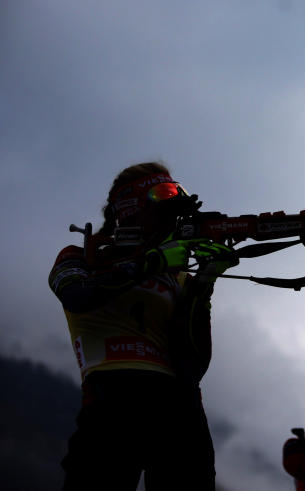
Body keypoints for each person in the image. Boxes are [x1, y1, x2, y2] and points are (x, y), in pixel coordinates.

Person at [49, 162, 237, 490]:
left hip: (180, 407)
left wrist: (203, 284)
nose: (172, 219)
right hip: (112, 400)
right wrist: (150, 262)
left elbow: (193, 365)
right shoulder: (81, 256)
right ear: (129, 209)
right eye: (163, 209)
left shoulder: (177, 274)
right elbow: (76, 296)